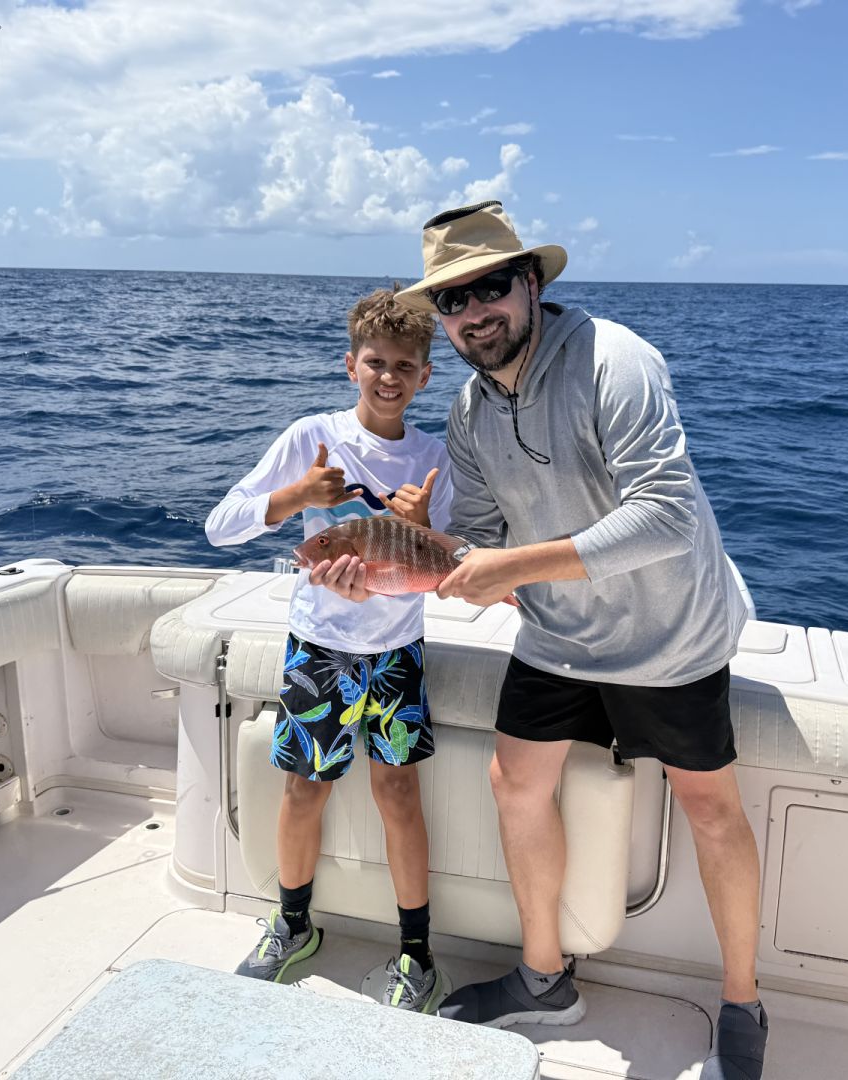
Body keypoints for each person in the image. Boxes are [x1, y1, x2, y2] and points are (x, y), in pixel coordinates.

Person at [313, 203, 768, 1079]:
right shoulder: (471, 415)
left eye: (489, 287)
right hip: (560, 635)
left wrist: (512, 565)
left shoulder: (614, 361)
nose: (473, 312)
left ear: (531, 282)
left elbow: (668, 517)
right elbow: (480, 547)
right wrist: (385, 562)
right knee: (514, 783)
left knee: (712, 810)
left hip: (672, 632)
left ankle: (743, 1004)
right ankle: (544, 979)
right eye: (452, 300)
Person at [205, 287, 452, 1013]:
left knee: (399, 794)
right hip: (322, 650)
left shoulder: (434, 458)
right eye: (375, 362)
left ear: (425, 376)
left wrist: (424, 526)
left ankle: (416, 954)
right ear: (350, 365)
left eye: (404, 365)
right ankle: (291, 925)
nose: (388, 376)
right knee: (303, 790)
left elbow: (451, 561)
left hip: (398, 652)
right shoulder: (311, 437)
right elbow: (221, 525)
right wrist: (297, 497)